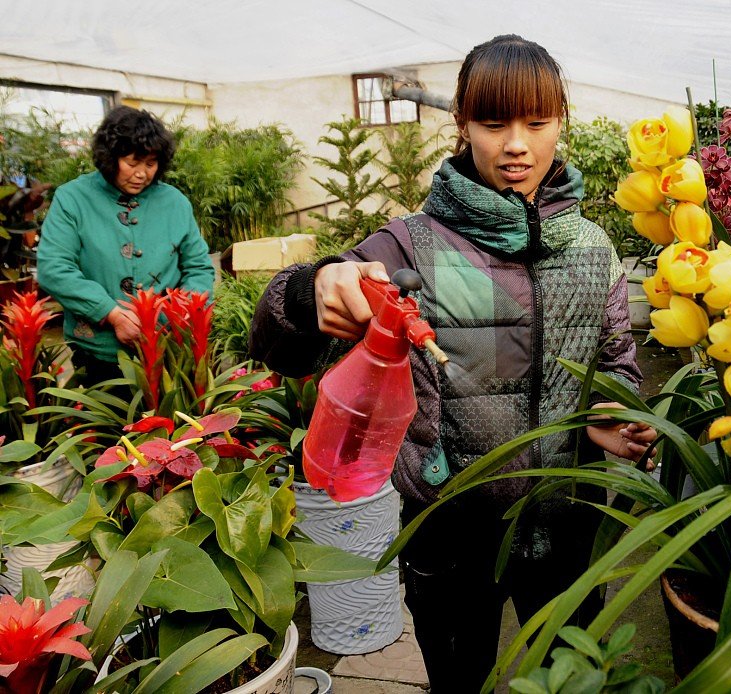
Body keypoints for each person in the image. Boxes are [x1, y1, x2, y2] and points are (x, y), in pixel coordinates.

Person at [249, 34, 656, 692]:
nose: (516, 144)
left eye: (536, 122)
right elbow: (278, 339)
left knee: (574, 678)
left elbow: (616, 363)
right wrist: (310, 289)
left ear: (562, 124)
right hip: (450, 535)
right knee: (460, 677)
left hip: (568, 523)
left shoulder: (592, 248)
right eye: (493, 123)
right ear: (463, 126)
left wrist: (608, 415)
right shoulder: (411, 246)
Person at [37, 105, 215, 385]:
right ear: (110, 158)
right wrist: (111, 313)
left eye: (151, 164)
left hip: (169, 348)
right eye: (132, 163)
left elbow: (199, 268)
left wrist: (176, 316)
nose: (142, 173)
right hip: (97, 351)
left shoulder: (175, 202)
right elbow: (53, 268)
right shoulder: (73, 198)